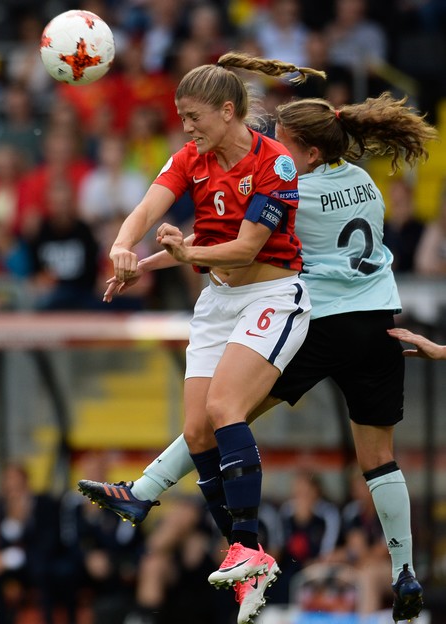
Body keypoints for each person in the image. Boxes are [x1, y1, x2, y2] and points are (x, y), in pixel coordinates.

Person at [80, 91, 438, 623]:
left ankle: (149, 491)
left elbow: (221, 237)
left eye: (285, 144)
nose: (275, 150)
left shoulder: (292, 181)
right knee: (380, 459)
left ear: (309, 155)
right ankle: (405, 571)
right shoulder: (364, 183)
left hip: (322, 322)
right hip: (380, 322)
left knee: (227, 409)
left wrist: (153, 264)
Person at [79, 51, 323, 622]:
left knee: (222, 408)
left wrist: (181, 252)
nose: (186, 127)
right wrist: (125, 249)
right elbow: (146, 208)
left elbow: (247, 249)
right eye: (181, 116)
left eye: (193, 116)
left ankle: (243, 541)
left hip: (272, 296)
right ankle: (248, 552)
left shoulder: (276, 164)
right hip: (217, 302)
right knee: (195, 430)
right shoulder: (192, 158)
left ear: (228, 110)